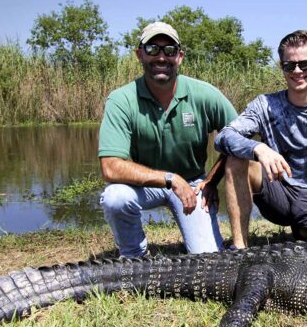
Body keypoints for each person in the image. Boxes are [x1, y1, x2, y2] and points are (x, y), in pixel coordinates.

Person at [98, 22, 237, 257]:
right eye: (153, 49)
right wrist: (170, 179)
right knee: (115, 197)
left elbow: (240, 137)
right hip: (145, 185)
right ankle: (133, 254)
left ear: (179, 56)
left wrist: (212, 180)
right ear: (139, 54)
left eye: (169, 50)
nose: (161, 57)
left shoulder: (204, 94)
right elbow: (110, 166)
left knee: (209, 258)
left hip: (193, 185)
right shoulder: (121, 100)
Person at [214, 30, 307, 249]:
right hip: (277, 190)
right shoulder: (265, 105)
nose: (298, 71)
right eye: (289, 65)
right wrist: (258, 148)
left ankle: (306, 227)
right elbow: (223, 137)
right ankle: (239, 249)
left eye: (305, 64)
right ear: (282, 67)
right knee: (236, 160)